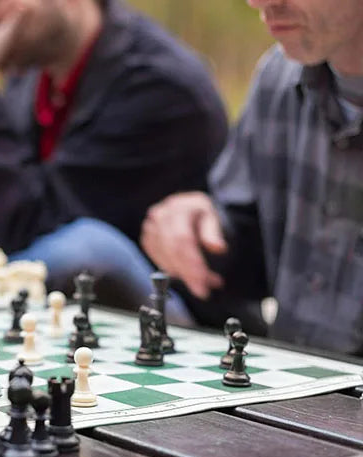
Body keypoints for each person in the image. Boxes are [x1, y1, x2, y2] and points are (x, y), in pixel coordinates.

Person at [0, 0, 228, 320]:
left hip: (167, 337)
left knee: (88, 246)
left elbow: (38, 236)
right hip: (61, 322)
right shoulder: (31, 73)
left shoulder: (158, 85)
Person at [142, 0, 363, 354]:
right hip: (295, 390)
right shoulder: (278, 77)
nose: (260, 3)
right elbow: (248, 252)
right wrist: (201, 227)